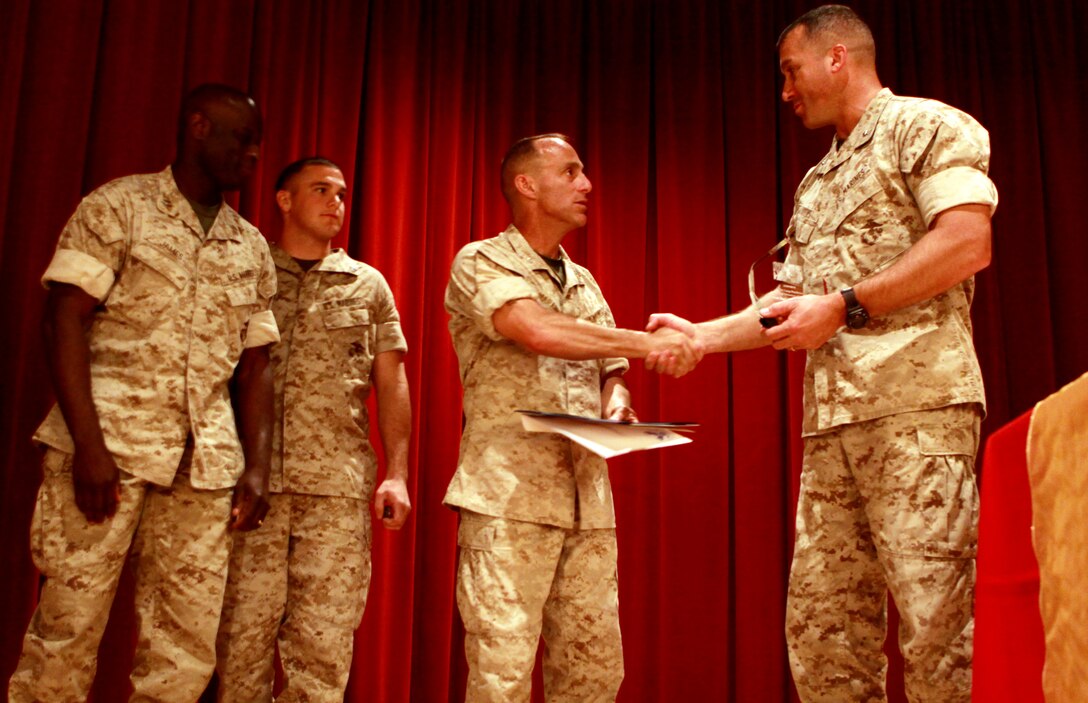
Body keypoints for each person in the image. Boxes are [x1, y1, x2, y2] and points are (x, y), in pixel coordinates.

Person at [649, 5, 998, 701]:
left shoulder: (926, 126)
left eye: (791, 69)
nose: (786, 89)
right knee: (824, 635)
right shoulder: (818, 184)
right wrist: (701, 335)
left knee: (938, 631)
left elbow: (966, 243)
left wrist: (844, 305)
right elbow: (789, 304)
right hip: (832, 435)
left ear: (836, 57)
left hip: (917, 417)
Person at [8, 83, 278, 701]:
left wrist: (257, 467)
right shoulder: (120, 207)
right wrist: (88, 446)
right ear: (199, 128)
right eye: (243, 139)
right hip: (108, 449)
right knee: (67, 631)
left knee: (184, 650)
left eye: (259, 147)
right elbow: (64, 319)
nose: (253, 157)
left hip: (204, 466)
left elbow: (256, 365)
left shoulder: (251, 245)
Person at [443, 133, 700, 702]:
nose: (586, 185)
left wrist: (618, 401)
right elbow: (536, 329)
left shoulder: (583, 281)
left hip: (587, 503)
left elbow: (611, 369)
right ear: (526, 184)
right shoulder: (481, 260)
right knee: (501, 676)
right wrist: (647, 340)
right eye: (571, 172)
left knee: (592, 674)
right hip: (509, 501)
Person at [214, 157, 413, 701]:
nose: (336, 204)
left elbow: (392, 381)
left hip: (335, 491)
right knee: (238, 643)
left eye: (343, 194)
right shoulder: (249, 271)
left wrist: (396, 473)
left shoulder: (367, 285)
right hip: (247, 485)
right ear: (283, 199)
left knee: (323, 652)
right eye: (321, 190)